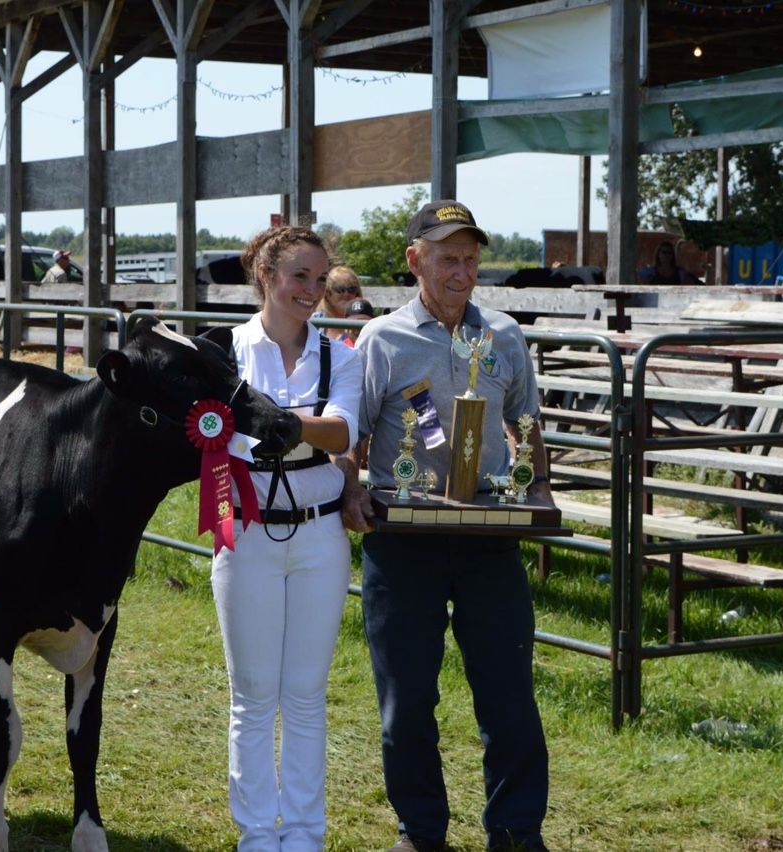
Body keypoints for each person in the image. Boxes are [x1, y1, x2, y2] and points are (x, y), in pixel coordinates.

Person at [339, 200, 551, 852]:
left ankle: (516, 832)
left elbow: (526, 423)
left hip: (488, 535)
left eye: (470, 259)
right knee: (406, 701)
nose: (461, 272)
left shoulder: (505, 336)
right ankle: (420, 831)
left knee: (509, 693)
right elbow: (353, 431)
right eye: (447, 258)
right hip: (404, 536)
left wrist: (539, 490)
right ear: (415, 260)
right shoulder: (382, 339)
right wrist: (350, 488)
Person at [213, 225, 363, 851]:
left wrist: (278, 422)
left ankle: (303, 834)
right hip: (245, 533)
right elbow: (214, 439)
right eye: (300, 275)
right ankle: (255, 833)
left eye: (320, 278)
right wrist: (306, 424)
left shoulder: (342, 356)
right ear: (267, 276)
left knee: (304, 694)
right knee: (251, 694)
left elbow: (343, 432)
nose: (312, 289)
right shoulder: (224, 352)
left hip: (320, 535)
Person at [315, 264, 363, 341]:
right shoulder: (315, 321)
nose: (346, 294)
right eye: (340, 289)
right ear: (327, 294)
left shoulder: (362, 324)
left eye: (352, 289)